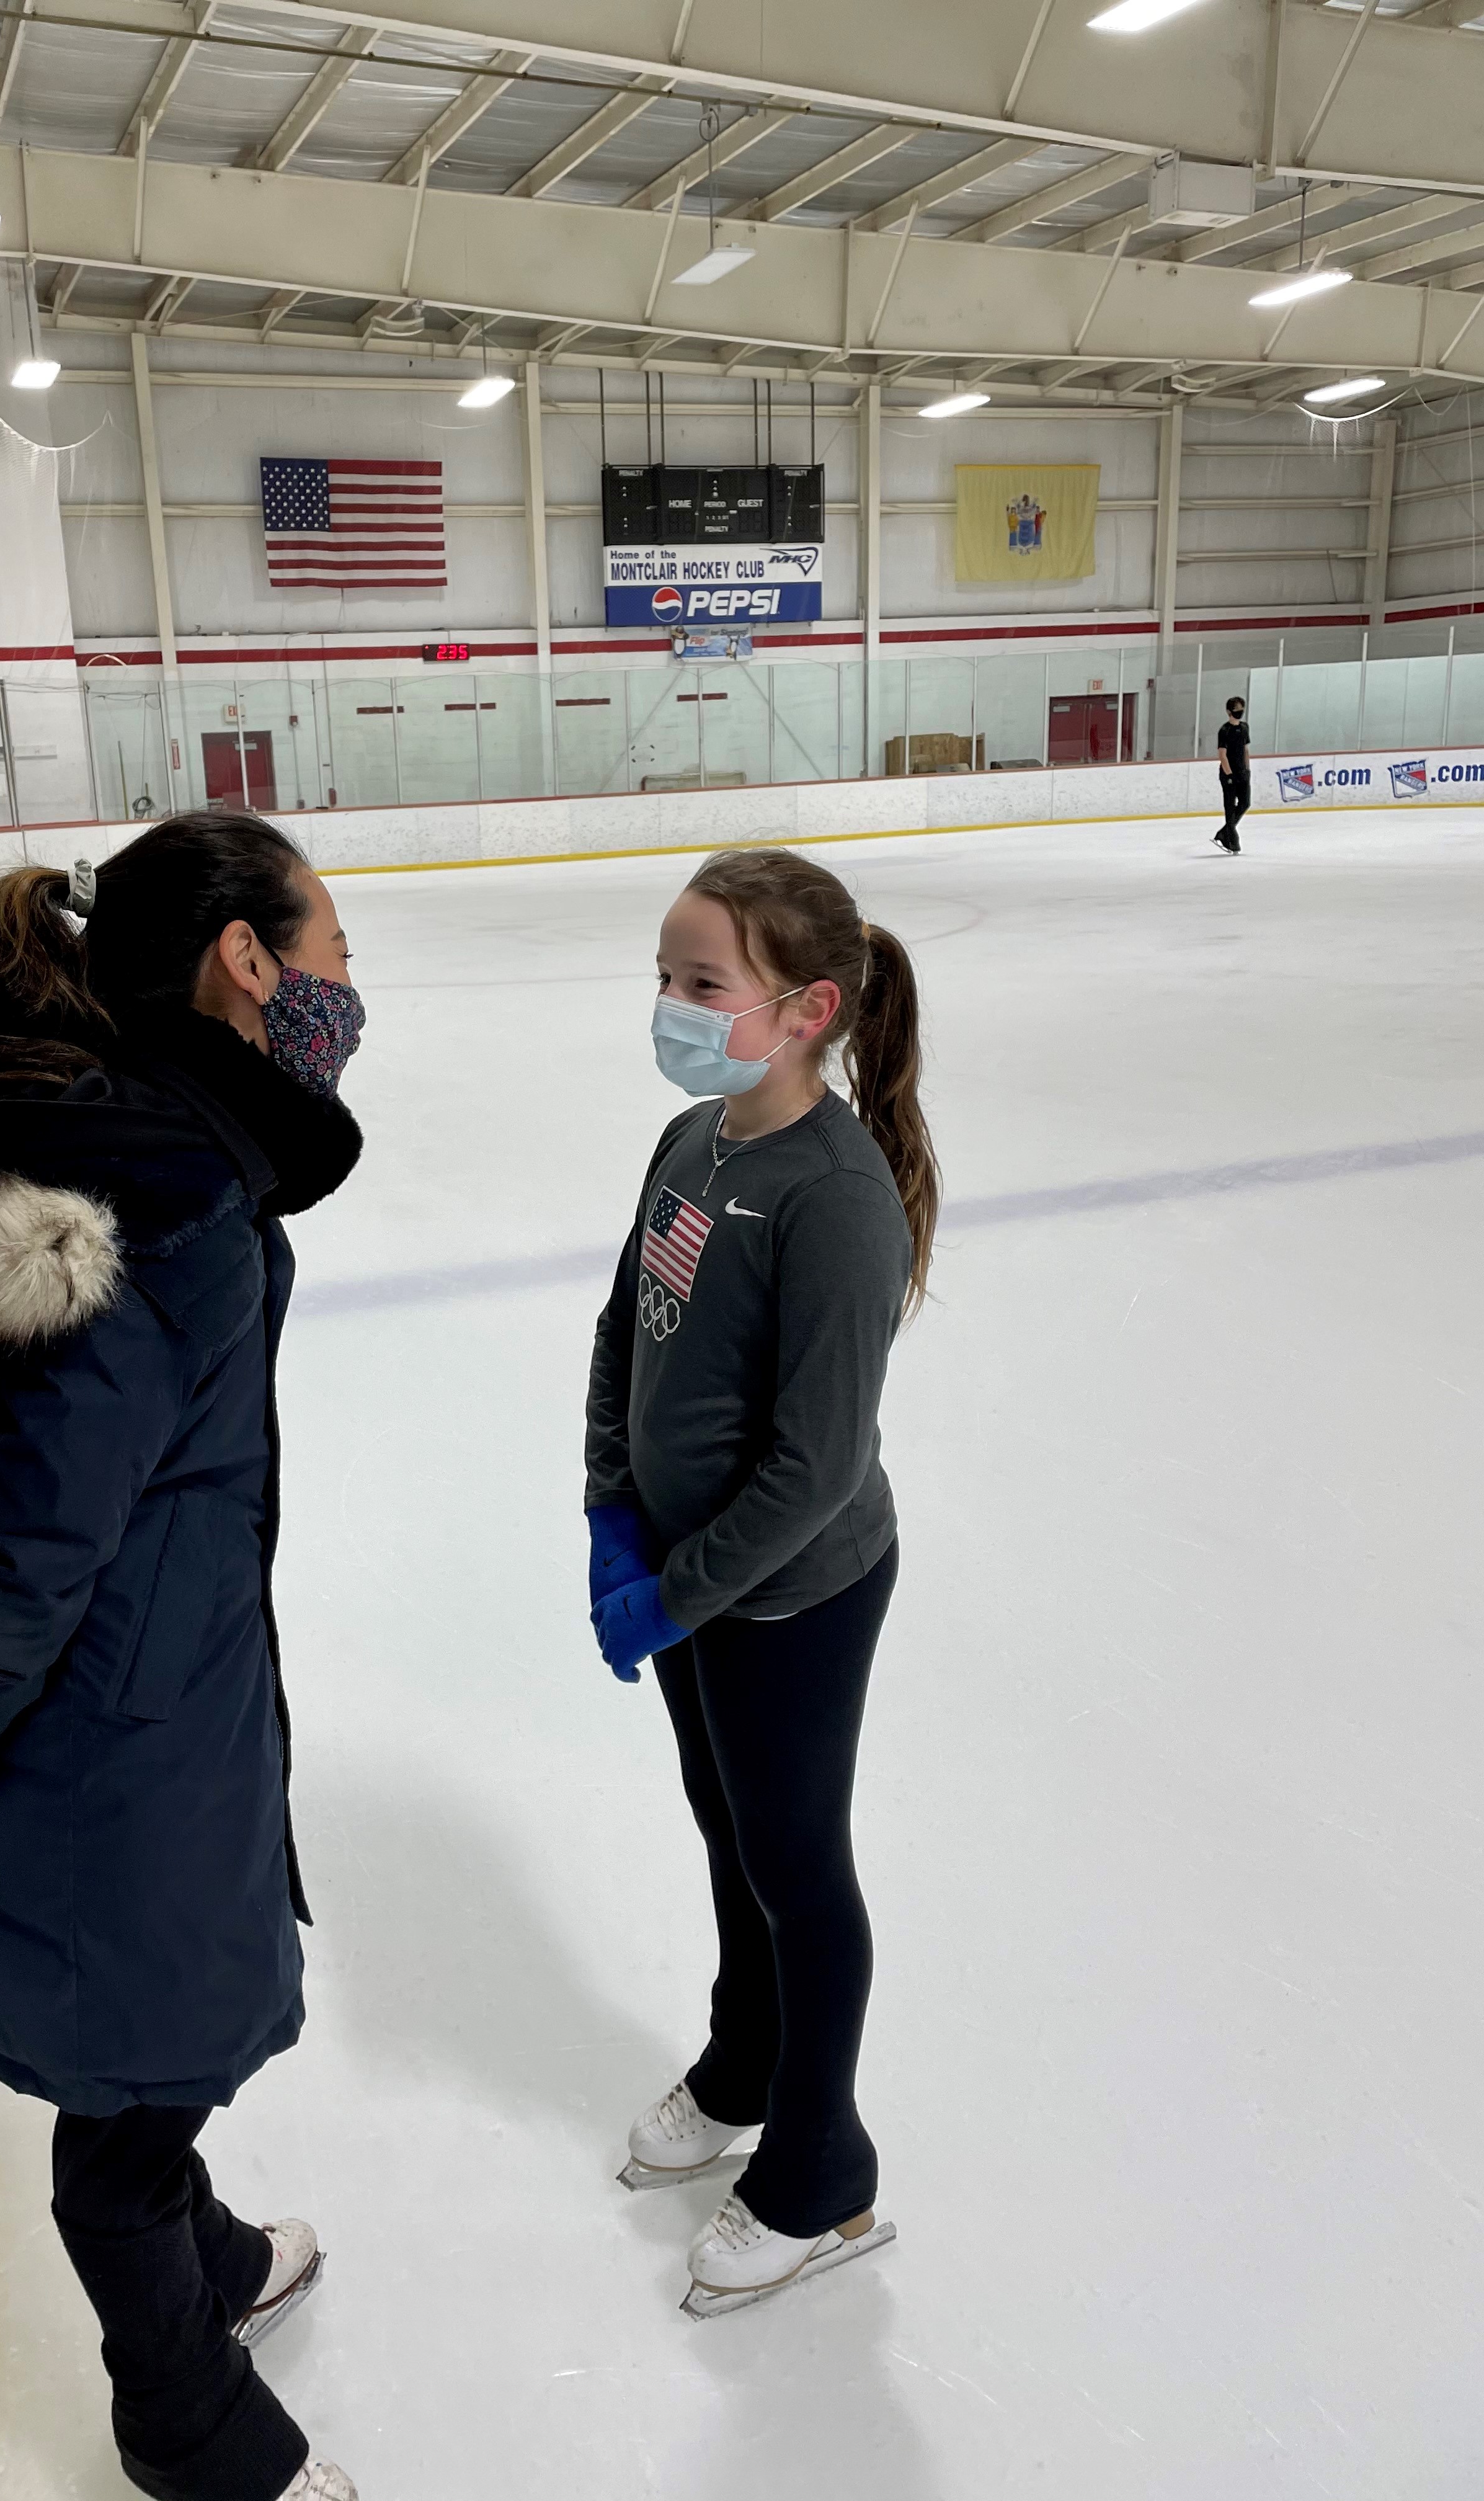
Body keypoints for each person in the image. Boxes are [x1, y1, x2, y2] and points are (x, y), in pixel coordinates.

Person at [0, 814, 367, 2501]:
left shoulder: (143, 1149)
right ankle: (188, 2432)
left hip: (156, 1688)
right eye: (330, 950)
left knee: (156, 2057)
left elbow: (9, 1461)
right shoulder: (156, 1202)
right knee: (125, 2112)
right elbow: (37, 1527)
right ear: (244, 960)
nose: (346, 988)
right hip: (118, 1730)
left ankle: (225, 2263)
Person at [584, 846, 937, 2320]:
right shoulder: (694, 1142)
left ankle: (820, 2173)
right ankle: (743, 2058)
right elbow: (630, 1325)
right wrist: (613, 1507)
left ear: (807, 1009)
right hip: (685, 1579)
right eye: (666, 977)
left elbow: (813, 1464)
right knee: (723, 1821)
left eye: (700, 983)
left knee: (798, 1864)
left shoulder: (835, 1197)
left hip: (788, 1596)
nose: (670, 1004)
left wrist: (682, 1591)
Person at [1215, 694, 1251, 854]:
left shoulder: (1244, 727)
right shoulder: (1225, 730)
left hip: (1243, 773)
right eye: (1237, 709)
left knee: (1245, 803)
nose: (1240, 711)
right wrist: (1229, 775)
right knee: (1230, 808)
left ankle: (1224, 833)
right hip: (1229, 774)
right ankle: (1232, 841)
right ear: (1229, 711)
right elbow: (1222, 755)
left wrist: (1248, 769)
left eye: (1241, 709)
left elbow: (1245, 750)